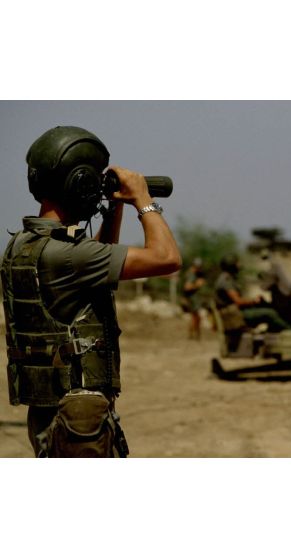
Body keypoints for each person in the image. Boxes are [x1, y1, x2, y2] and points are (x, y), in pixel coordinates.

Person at [1, 125, 182, 457]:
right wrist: (142, 199)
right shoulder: (69, 254)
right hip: (80, 419)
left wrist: (115, 207)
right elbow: (167, 258)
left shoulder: (24, 245)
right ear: (78, 183)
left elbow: (94, 267)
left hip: (50, 409)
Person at [214, 253, 291, 332]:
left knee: (267, 306)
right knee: (270, 313)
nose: (239, 265)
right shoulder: (227, 281)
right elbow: (238, 301)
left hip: (235, 312)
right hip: (235, 315)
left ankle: (275, 331)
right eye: (237, 263)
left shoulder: (226, 278)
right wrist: (253, 301)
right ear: (231, 265)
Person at [181, 257, 207, 340]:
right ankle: (194, 335)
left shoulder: (191, 273)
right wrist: (197, 285)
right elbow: (187, 287)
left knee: (196, 317)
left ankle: (194, 335)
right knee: (195, 317)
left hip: (192, 298)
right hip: (191, 299)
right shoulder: (191, 274)